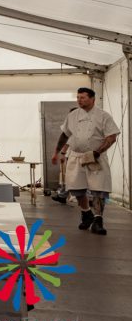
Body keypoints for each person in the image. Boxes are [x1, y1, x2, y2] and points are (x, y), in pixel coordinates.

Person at [51, 87, 119, 235]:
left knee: (98, 189)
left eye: (83, 97)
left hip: (95, 157)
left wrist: (98, 151)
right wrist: (57, 152)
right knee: (76, 188)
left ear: (92, 99)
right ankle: (86, 213)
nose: (79, 100)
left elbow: (111, 137)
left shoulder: (103, 116)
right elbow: (65, 134)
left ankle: (98, 220)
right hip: (76, 156)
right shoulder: (73, 115)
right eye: (78, 97)